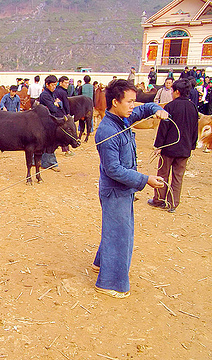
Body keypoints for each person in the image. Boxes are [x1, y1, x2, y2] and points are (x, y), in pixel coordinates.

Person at [92, 79, 167, 298]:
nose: (133, 106)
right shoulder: (107, 130)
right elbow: (114, 169)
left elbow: (145, 108)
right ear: (115, 102)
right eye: (129, 102)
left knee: (116, 230)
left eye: (134, 101)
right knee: (120, 235)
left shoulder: (123, 117)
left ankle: (100, 264)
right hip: (114, 190)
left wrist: (158, 109)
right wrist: (146, 180)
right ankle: (109, 283)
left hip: (124, 190)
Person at [148, 79, 198, 213]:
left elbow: (163, 129)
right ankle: (172, 204)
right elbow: (195, 129)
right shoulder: (193, 107)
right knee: (178, 176)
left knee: (162, 174)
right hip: (184, 149)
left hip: (169, 148)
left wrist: (158, 145)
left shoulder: (170, 107)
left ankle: (158, 199)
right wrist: (192, 146)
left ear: (176, 91)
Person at [39, 75, 62, 171]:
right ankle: (50, 163)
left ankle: (39, 161)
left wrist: (57, 104)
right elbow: (53, 108)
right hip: (44, 121)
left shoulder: (51, 94)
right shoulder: (45, 95)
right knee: (50, 142)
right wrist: (56, 104)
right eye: (52, 85)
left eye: (55, 85)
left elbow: (59, 104)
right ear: (47, 85)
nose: (54, 87)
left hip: (49, 120)